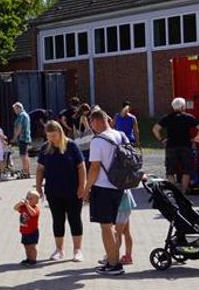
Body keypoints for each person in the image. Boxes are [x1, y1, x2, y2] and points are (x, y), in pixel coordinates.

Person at [35, 120, 87, 262]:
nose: (51, 138)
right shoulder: (45, 148)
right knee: (57, 220)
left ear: (60, 132)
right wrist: (38, 186)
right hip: (53, 190)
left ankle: (77, 250)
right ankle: (59, 250)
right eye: (49, 136)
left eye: (54, 135)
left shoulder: (71, 146)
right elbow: (40, 169)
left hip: (72, 190)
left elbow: (81, 167)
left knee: (74, 219)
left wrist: (82, 186)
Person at [85, 108, 127, 276]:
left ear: (97, 121)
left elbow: (94, 168)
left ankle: (113, 264)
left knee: (106, 228)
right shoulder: (120, 135)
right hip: (119, 186)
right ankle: (114, 260)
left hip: (103, 187)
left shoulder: (98, 141)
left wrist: (86, 188)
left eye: (91, 123)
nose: (91, 127)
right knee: (115, 227)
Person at [152, 97, 199, 193]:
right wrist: (195, 139)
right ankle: (183, 190)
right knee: (186, 170)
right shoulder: (188, 117)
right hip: (186, 146)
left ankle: (174, 191)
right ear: (183, 106)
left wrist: (162, 140)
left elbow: (155, 129)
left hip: (171, 146)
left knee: (170, 171)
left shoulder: (167, 117)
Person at [99, 190, 136, 265]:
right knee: (126, 232)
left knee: (117, 234)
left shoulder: (119, 179)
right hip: (126, 206)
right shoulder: (125, 178)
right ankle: (128, 256)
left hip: (121, 208)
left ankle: (112, 257)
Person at [14, 190, 41, 265]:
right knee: (26, 245)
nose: (28, 200)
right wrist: (20, 203)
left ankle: (33, 259)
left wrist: (28, 205)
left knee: (32, 246)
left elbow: (33, 214)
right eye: (27, 198)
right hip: (24, 231)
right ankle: (28, 258)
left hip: (32, 231)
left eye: (31, 199)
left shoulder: (35, 208)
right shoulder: (23, 207)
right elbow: (15, 208)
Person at [12, 103, 32, 179]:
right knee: (26, 155)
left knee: (23, 156)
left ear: (19, 108)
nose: (15, 111)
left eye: (15, 109)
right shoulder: (26, 115)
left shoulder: (21, 116)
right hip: (26, 137)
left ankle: (25, 173)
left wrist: (15, 137)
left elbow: (19, 127)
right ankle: (27, 172)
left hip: (22, 138)